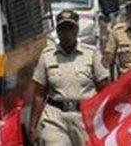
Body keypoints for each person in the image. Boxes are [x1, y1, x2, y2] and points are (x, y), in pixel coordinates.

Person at [28, 10, 109, 145]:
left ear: (77, 31)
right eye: (62, 29)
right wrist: (32, 127)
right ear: (57, 31)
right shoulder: (47, 56)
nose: (66, 33)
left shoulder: (91, 54)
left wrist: (106, 119)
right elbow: (39, 94)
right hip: (54, 117)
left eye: (70, 28)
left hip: (84, 117)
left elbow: (105, 90)